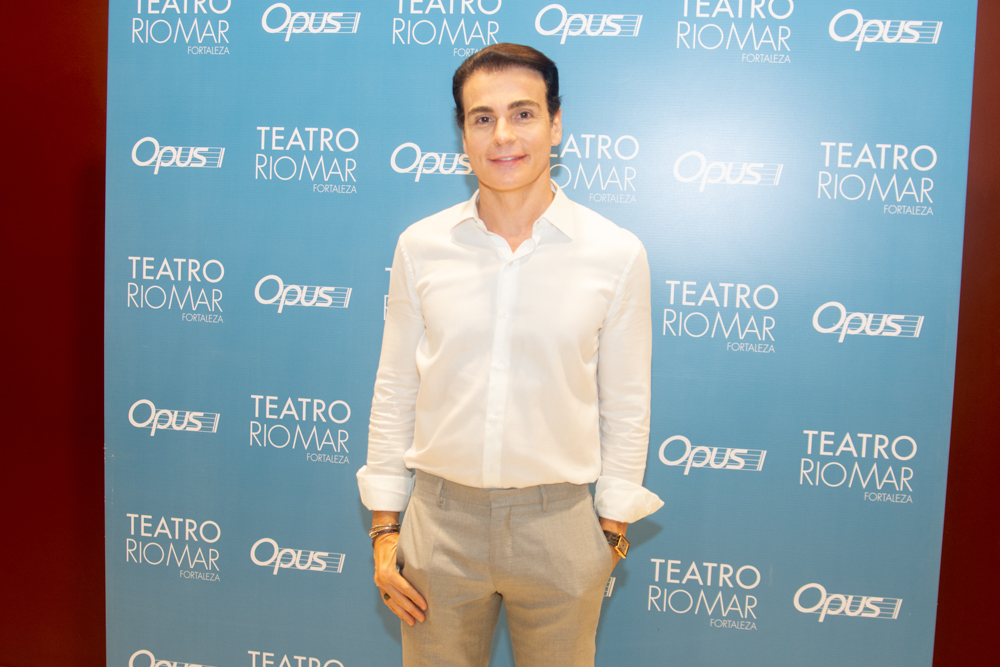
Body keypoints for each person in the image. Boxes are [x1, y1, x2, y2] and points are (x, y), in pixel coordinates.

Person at [356, 43, 663, 667]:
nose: (503, 135)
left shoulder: (616, 253)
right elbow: (395, 389)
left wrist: (609, 534)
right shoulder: (421, 246)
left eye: (523, 114)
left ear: (556, 124)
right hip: (438, 525)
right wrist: (386, 528)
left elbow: (626, 404)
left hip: (561, 528)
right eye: (482, 117)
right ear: (463, 134)